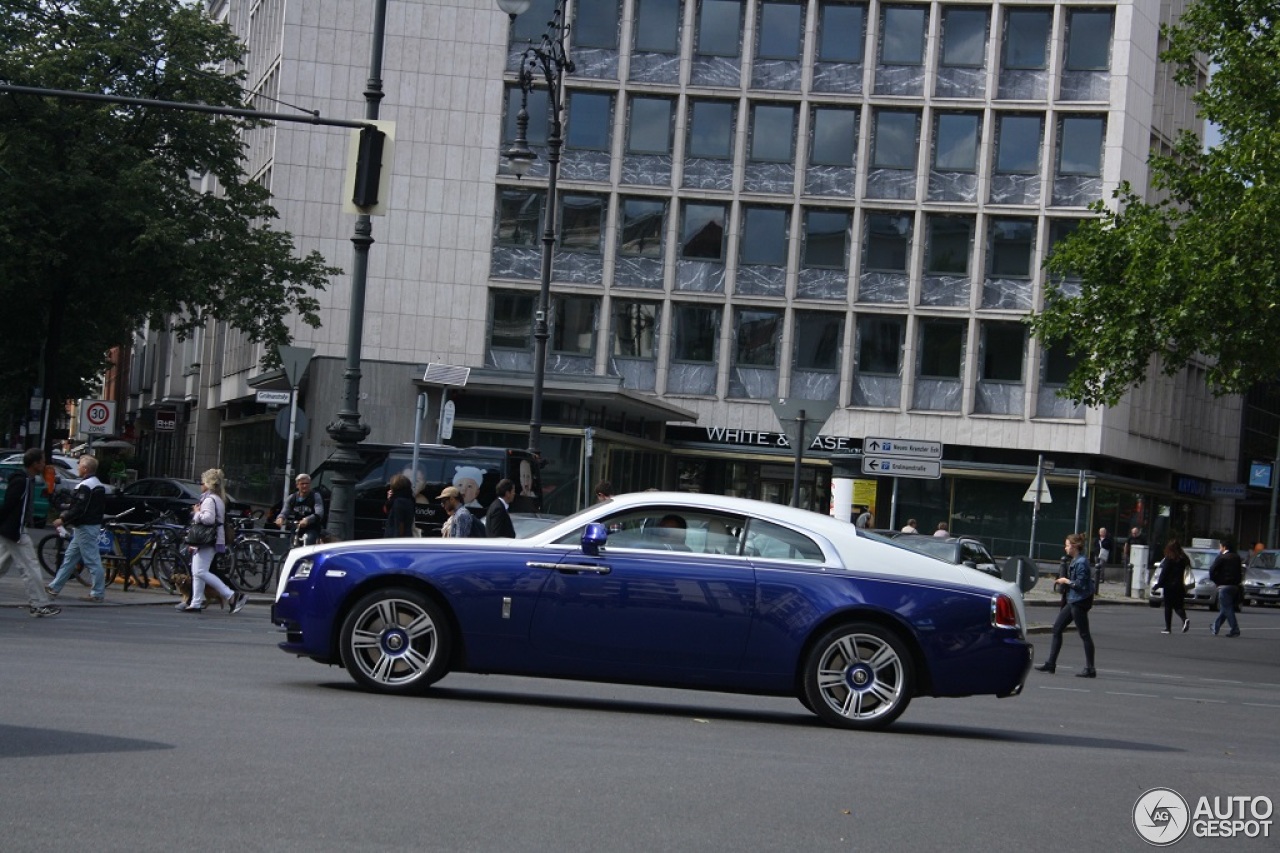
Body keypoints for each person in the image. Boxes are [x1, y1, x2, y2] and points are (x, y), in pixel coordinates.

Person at [0, 449, 61, 617]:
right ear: (35, 464)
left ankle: (39, 604)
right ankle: (39, 604)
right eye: (42, 461)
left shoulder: (25, 480)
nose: (44, 464)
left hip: (11, 529)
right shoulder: (23, 482)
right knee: (31, 567)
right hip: (16, 531)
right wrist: (17, 530)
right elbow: (11, 505)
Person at [183, 468, 246, 614]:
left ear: (208, 484)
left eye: (201, 482)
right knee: (197, 571)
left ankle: (231, 595)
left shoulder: (209, 500)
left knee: (200, 571)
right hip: (213, 538)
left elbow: (208, 519)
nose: (200, 485)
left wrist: (197, 514)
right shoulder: (217, 498)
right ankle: (195, 603)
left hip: (206, 539)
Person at [46, 455, 108, 602]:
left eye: (79, 465)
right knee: (70, 558)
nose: (78, 467)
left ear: (85, 469)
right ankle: (54, 587)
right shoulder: (97, 484)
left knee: (91, 560)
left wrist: (63, 519)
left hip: (85, 526)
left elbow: (79, 508)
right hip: (89, 525)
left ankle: (98, 593)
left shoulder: (86, 486)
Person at [1036, 532, 1097, 678]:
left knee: (1084, 634)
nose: (1065, 548)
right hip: (1074, 600)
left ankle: (1090, 669)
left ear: (1074, 547)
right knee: (1057, 628)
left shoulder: (1081, 562)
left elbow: (1080, 585)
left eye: (1067, 545)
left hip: (1079, 601)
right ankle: (1051, 663)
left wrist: (1065, 581)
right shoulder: (1076, 560)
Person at [1151, 539, 1191, 634]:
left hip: (1169, 586)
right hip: (1180, 585)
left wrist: (1157, 585)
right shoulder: (1184, 558)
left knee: (1168, 606)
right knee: (1178, 605)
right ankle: (1184, 619)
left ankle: (1168, 628)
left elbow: (1164, 573)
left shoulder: (1169, 558)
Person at [275, 473, 324, 546]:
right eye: (302, 484)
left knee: (308, 541)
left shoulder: (315, 496)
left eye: (307, 483)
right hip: (296, 527)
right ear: (297, 485)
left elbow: (319, 513)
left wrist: (307, 520)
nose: (305, 486)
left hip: (311, 527)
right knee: (291, 545)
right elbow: (285, 511)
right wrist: (280, 518)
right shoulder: (292, 498)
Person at [1209, 536, 1243, 637]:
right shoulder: (1236, 557)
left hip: (1224, 586)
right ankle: (1215, 626)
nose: (1220, 549)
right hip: (1235, 586)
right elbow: (1240, 572)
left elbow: (1212, 570)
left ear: (1224, 547)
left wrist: (1216, 581)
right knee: (1225, 608)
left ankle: (1235, 629)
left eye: (1220, 547)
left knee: (1227, 608)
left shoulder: (1222, 557)